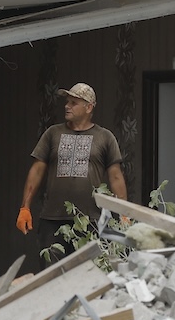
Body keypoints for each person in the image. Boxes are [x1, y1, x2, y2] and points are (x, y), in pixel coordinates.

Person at [17, 83, 127, 257]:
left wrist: (124, 213)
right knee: (52, 274)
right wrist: (25, 208)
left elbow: (115, 177)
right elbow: (37, 171)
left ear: (89, 107)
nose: (67, 106)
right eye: (67, 102)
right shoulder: (53, 133)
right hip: (53, 219)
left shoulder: (105, 137)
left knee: (87, 276)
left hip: (91, 220)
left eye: (74, 103)